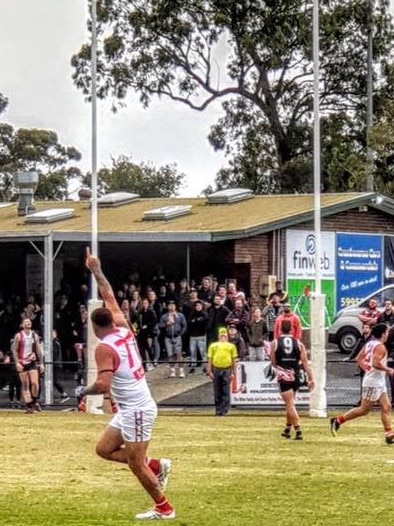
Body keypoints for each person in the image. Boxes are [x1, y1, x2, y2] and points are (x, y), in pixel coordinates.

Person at [76, 248, 175, 520]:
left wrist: (82, 391)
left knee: (135, 464)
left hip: (138, 409)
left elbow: (103, 384)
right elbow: (108, 294)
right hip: (130, 409)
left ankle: (164, 508)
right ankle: (155, 465)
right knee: (103, 450)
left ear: (94, 326)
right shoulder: (122, 326)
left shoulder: (104, 347)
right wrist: (95, 268)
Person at [330, 323, 394, 445]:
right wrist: (388, 370)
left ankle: (388, 433)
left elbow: (359, 358)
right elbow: (375, 363)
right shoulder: (380, 347)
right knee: (364, 410)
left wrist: (366, 370)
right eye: (387, 332)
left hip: (377, 381)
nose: (388, 334)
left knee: (386, 407)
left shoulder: (370, 343)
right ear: (383, 334)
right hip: (373, 383)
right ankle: (338, 420)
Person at [270, 319, 314, 440]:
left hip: (284, 375)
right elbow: (305, 363)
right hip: (296, 374)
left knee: (290, 404)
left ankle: (298, 429)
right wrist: (311, 378)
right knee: (290, 403)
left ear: (279, 329)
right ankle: (287, 428)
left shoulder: (275, 343)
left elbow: (273, 362)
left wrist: (280, 367)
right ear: (292, 329)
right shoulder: (299, 343)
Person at [11, 318, 45, 413]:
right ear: (22, 325)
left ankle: (34, 402)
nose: (28, 323)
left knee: (35, 383)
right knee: (25, 384)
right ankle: (29, 406)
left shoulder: (34, 335)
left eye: (29, 322)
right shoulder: (19, 336)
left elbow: (38, 350)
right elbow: (14, 349)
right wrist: (17, 362)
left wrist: (41, 363)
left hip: (32, 361)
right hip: (22, 362)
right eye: (26, 322)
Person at [206, 327, 238, 416]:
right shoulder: (213, 346)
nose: (223, 336)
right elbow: (210, 359)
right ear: (219, 335)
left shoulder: (231, 346)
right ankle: (218, 409)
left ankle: (224, 410)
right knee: (217, 390)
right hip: (216, 369)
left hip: (227, 369)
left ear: (227, 335)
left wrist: (233, 372)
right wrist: (209, 371)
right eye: (221, 334)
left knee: (226, 390)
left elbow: (233, 360)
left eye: (224, 334)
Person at [159, 301, 187, 378]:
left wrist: (181, 334)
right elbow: (160, 326)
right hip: (168, 338)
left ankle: (181, 370)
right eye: (170, 305)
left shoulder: (180, 315)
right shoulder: (164, 316)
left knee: (178, 354)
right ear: (168, 307)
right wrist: (166, 324)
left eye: (173, 305)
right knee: (170, 354)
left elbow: (184, 325)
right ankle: (172, 371)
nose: (171, 307)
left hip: (177, 336)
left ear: (175, 306)